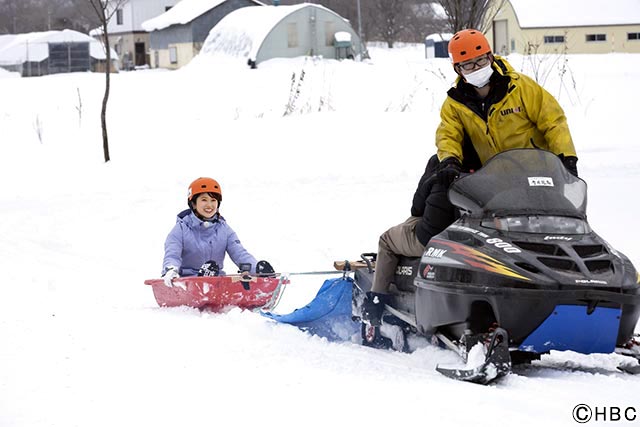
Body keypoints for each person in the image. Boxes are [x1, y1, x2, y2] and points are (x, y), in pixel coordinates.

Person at [362, 28, 579, 327]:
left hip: (535, 175)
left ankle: (578, 287)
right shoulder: (456, 103)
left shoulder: (523, 88)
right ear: (458, 69)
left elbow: (553, 121)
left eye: (480, 61)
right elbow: (448, 135)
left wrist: (566, 158)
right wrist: (450, 161)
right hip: (494, 182)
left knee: (557, 228)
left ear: (490, 57)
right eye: (468, 65)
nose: (476, 69)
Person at [162, 177, 273, 287]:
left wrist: (256, 269)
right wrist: (171, 269)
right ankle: (205, 281)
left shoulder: (224, 229)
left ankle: (210, 282)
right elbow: (172, 254)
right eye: (204, 200)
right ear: (194, 204)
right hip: (187, 284)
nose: (209, 205)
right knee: (210, 268)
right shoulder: (180, 229)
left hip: (216, 281)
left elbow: (240, 253)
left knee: (213, 270)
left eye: (213, 200)